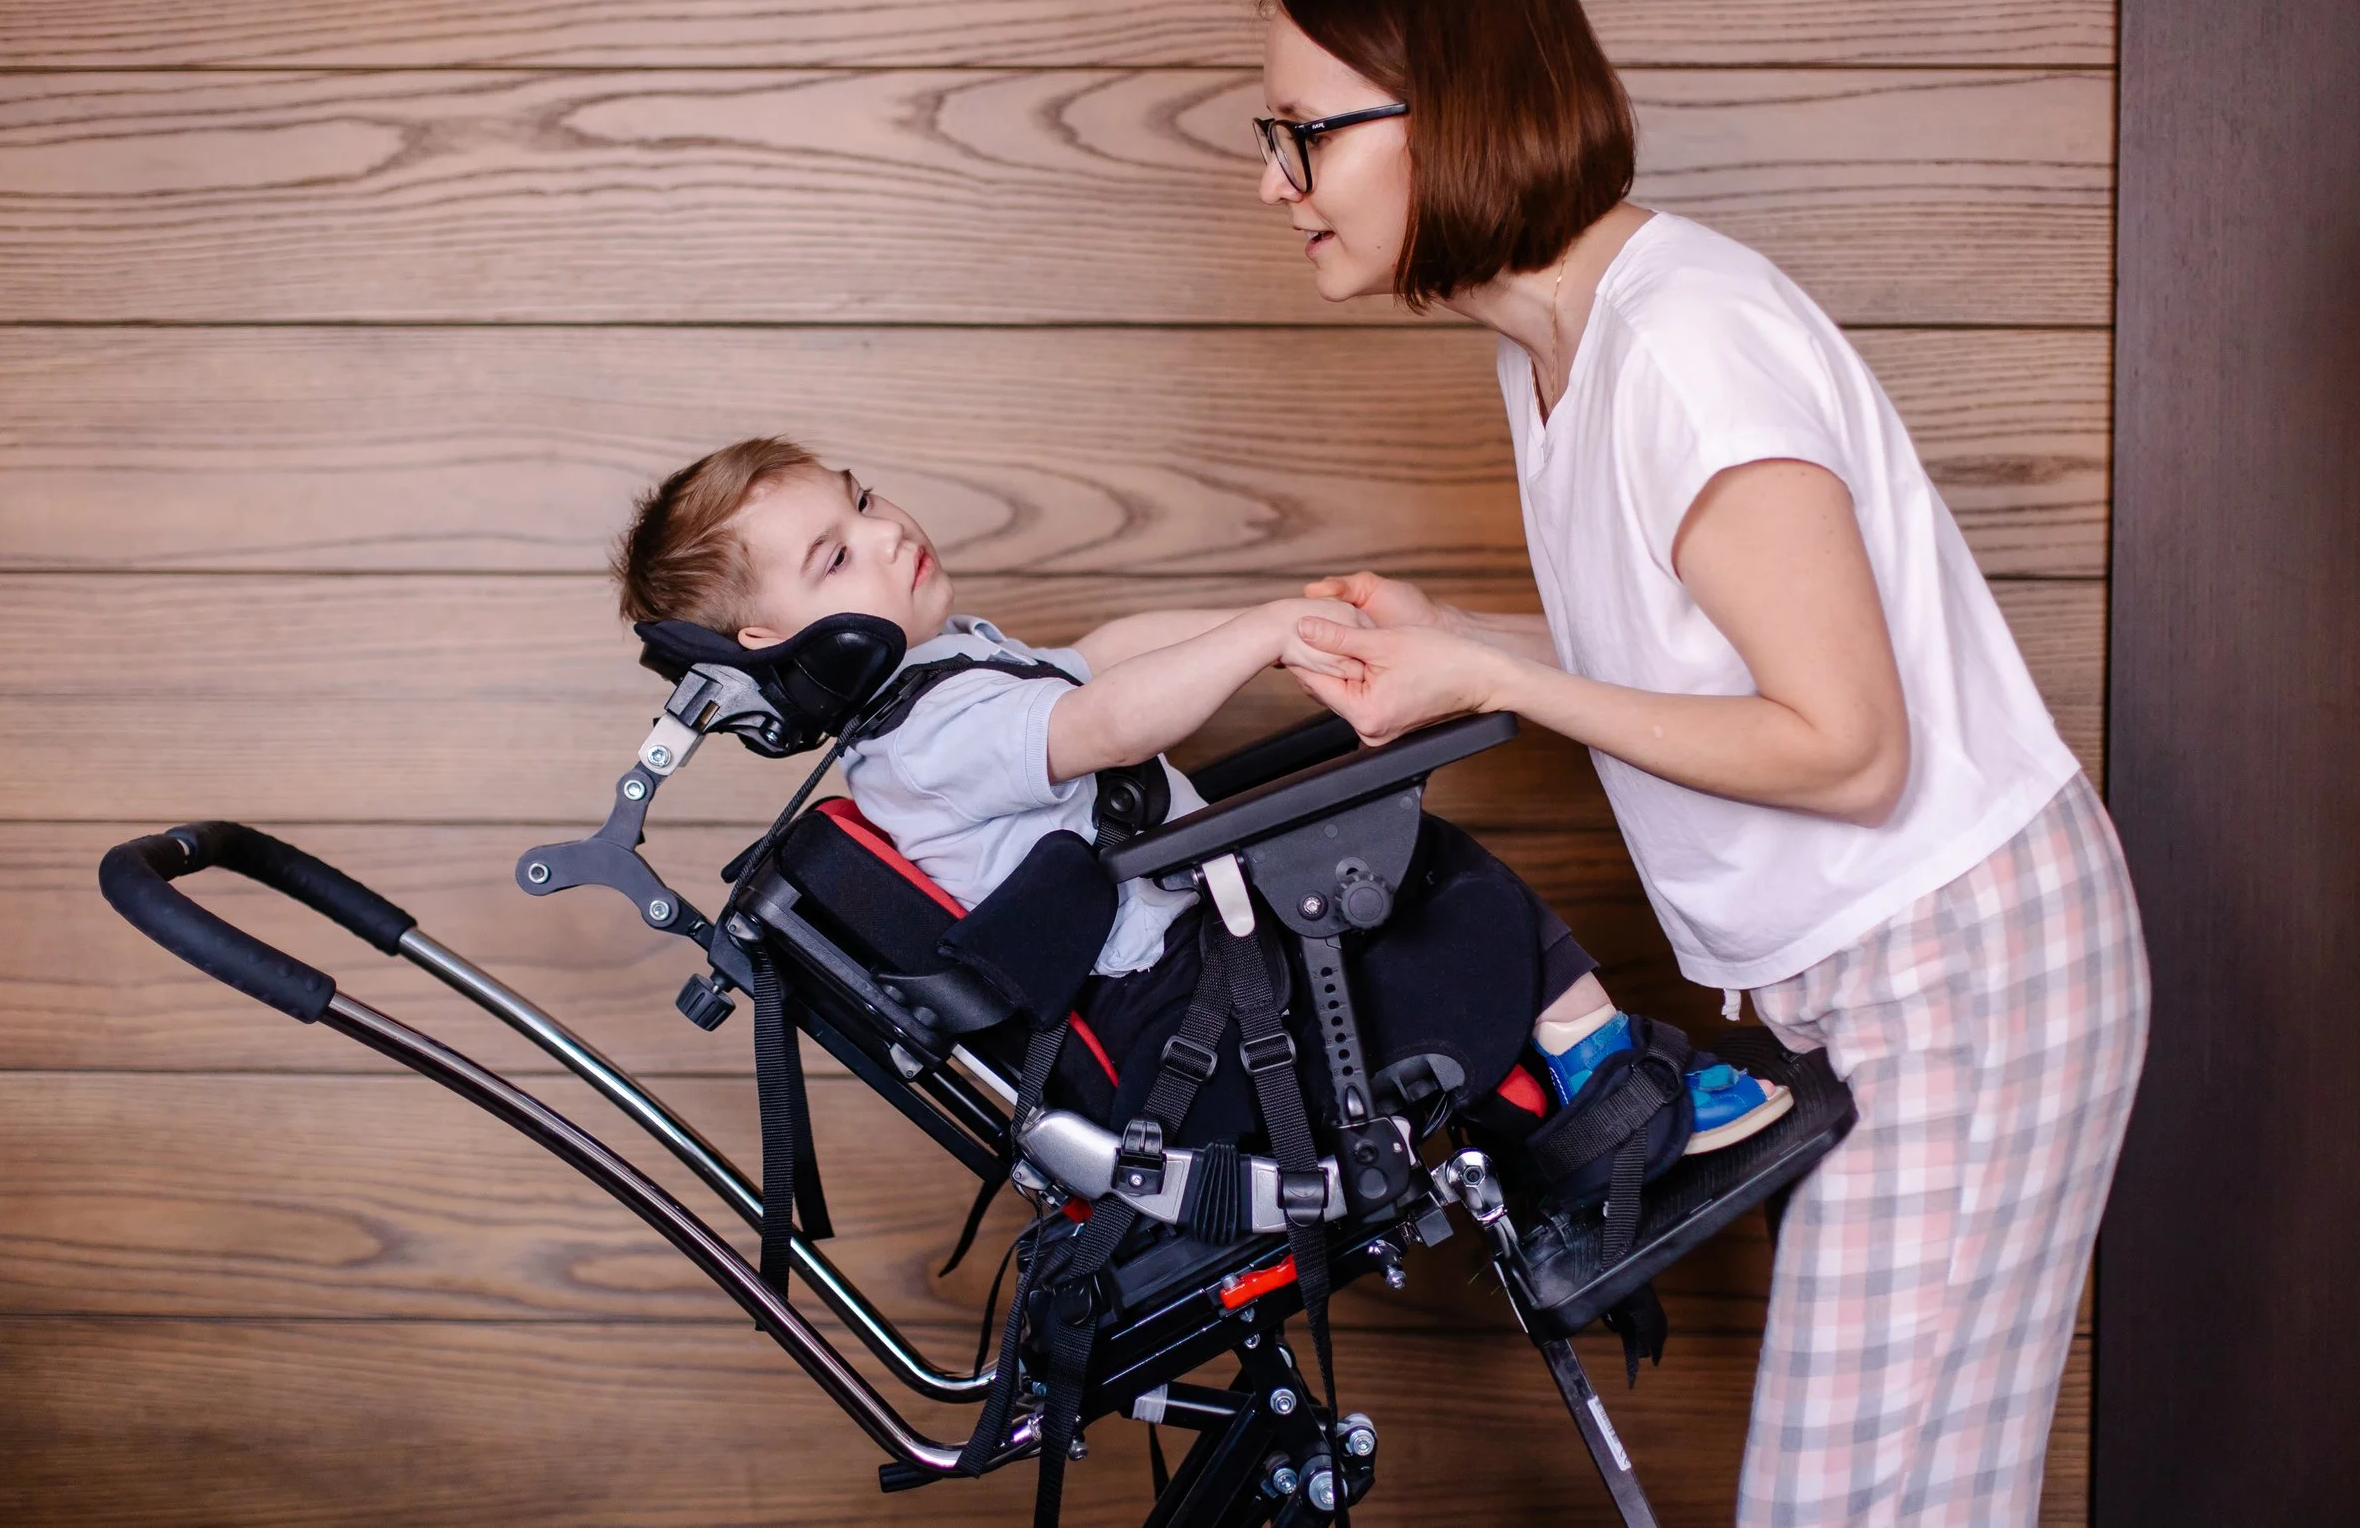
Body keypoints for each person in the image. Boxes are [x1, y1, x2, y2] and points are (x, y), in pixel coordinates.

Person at [1249, 0, 2149, 1528]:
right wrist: (1469, 637)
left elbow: (1848, 746)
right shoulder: (1555, 352)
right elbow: (1692, 644)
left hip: (1968, 962)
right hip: (1902, 969)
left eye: (1305, 132)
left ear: (1446, 111)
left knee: (1858, 1504)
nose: (1275, 179)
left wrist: (1500, 676)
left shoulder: (1685, 345)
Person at [608, 434, 1790, 1148]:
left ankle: (1574, 1086)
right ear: (772, 645)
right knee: (1429, 883)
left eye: (859, 501)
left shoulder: (945, 669)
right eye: (835, 555)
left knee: (1392, 873)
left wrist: (1276, 629)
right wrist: (1266, 629)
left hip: (1212, 956)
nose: (882, 530)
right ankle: (1608, 1086)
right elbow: (1103, 717)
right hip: (1185, 1013)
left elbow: (1105, 654)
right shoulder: (925, 743)